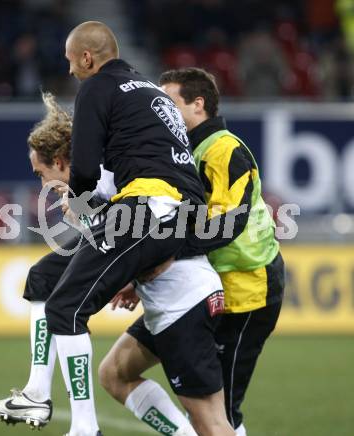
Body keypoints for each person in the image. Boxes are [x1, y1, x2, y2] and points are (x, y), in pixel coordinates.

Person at [0, 91, 229, 436]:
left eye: (41, 173)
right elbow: (123, 239)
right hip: (163, 302)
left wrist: (128, 257)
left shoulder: (118, 169)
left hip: (186, 301)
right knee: (109, 368)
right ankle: (38, 391)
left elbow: (157, 227)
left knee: (212, 423)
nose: (43, 185)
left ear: (63, 160)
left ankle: (82, 425)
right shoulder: (104, 184)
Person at [44, 21, 234, 436]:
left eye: (71, 61)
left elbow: (85, 171)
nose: (71, 70)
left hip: (178, 284)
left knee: (60, 302)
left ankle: (72, 419)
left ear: (88, 57)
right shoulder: (150, 94)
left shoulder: (97, 89)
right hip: (177, 237)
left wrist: (76, 203)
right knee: (114, 373)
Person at [100, 68, 284, 436]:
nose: (160, 111)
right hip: (196, 289)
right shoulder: (185, 151)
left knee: (221, 415)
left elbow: (225, 225)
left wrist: (162, 256)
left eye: (168, 102)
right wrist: (146, 272)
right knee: (114, 373)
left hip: (246, 292)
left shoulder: (225, 149)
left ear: (198, 104)